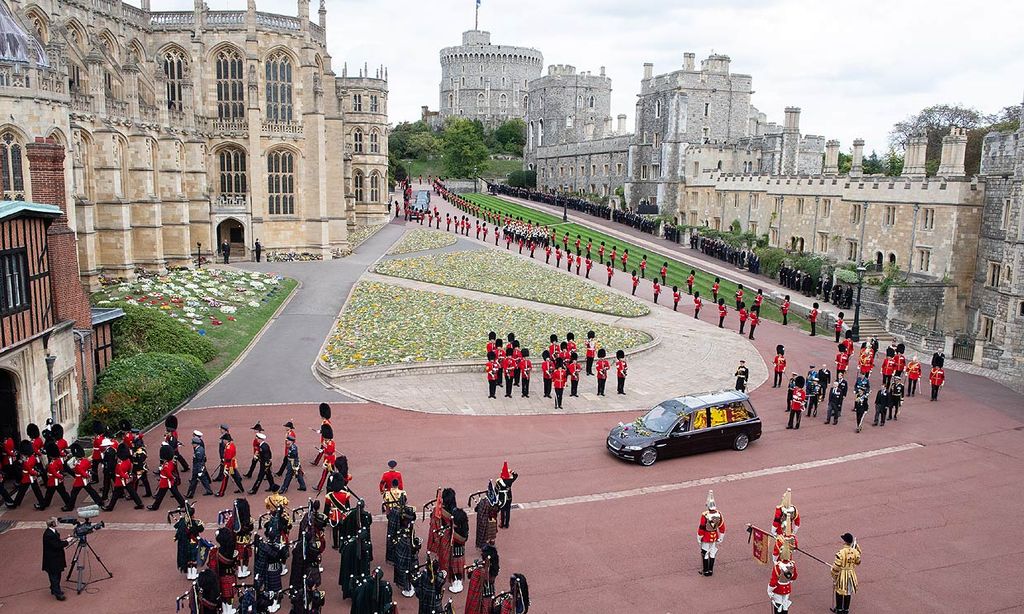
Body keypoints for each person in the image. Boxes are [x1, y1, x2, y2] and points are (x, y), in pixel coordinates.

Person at [63, 443, 104, 510]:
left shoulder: (78, 464)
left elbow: (82, 473)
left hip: (79, 480)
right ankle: (99, 502)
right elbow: (89, 467)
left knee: (74, 493)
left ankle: (70, 506)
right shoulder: (86, 461)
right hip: (85, 480)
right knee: (91, 491)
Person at [104, 443, 144, 510]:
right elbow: (129, 469)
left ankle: (110, 507)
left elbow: (120, 473)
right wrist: (128, 476)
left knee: (115, 494)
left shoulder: (119, 463)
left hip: (120, 480)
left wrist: (126, 476)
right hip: (126, 479)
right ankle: (139, 503)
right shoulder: (127, 460)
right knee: (132, 492)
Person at [149, 443, 187, 510]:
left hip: (166, 482)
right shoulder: (170, 462)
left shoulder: (166, 465)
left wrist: (172, 478)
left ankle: (155, 506)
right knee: (175, 493)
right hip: (169, 481)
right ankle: (182, 503)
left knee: (161, 495)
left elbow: (168, 474)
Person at [830, 533, 861, 614]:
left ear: (845, 541)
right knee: (848, 592)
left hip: (842, 574)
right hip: (851, 574)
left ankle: (839, 609)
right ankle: (846, 610)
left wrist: (833, 575)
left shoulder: (841, 553)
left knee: (839, 591)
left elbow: (836, 567)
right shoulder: (855, 552)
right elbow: (858, 562)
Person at [697, 490, 725, 577]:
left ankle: (705, 570)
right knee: (712, 552)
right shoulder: (719, 514)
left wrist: (699, 536)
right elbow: (722, 527)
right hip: (714, 535)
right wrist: (721, 537)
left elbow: (701, 527)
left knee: (705, 552)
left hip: (706, 536)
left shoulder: (704, 515)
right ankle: (710, 570)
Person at [42, 517, 71, 601]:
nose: (57, 522)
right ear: (53, 524)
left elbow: (57, 542)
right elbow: (56, 545)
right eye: (56, 522)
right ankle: (57, 593)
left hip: (54, 558)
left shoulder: (51, 532)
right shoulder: (49, 534)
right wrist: (67, 541)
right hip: (52, 559)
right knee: (54, 576)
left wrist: (65, 540)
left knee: (56, 575)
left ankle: (54, 589)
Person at [465, 545, 499, 614]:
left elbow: (469, 574)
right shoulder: (495, 567)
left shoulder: (479, 571)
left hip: (480, 596)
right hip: (490, 594)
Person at [768, 541, 798, 614]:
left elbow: (773, 582)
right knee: (785, 606)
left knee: (778, 606)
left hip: (778, 589)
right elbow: (794, 577)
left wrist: (769, 590)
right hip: (787, 588)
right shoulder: (792, 565)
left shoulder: (778, 566)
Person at [185, 431, 214, 498]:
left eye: (193, 443)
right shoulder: (199, 449)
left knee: (194, 481)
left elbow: (199, 461)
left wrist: (199, 470)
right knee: (202, 480)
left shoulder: (198, 451)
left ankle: (190, 494)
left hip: (197, 468)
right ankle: (208, 491)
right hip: (199, 468)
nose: (192, 444)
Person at [216, 432, 245, 497]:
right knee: (235, 476)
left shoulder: (229, 447)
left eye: (224, 440)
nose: (223, 441)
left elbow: (228, 458)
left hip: (228, 466)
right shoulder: (231, 445)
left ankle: (221, 493)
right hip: (232, 465)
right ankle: (241, 488)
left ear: (226, 440)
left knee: (225, 479)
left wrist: (224, 463)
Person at [495, 462, 518, 529]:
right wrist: (511, 471)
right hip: (509, 497)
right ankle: (507, 524)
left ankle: (502, 524)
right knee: (508, 511)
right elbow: (516, 475)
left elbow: (496, 490)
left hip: (502, 498)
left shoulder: (499, 481)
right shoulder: (510, 481)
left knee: (502, 510)